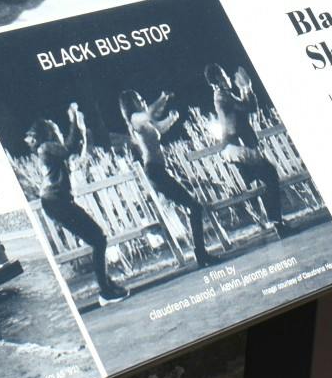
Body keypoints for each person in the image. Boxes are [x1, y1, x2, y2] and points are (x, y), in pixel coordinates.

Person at [25, 105, 127, 303]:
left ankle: (106, 285)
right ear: (48, 132)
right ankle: (105, 291)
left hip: (58, 202)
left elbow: (76, 152)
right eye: (55, 128)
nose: (58, 131)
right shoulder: (46, 147)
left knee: (97, 239)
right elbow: (68, 148)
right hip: (56, 202)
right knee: (98, 238)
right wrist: (73, 120)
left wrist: (80, 128)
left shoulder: (50, 151)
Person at [119, 88, 216, 267]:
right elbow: (149, 112)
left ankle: (201, 254)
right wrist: (162, 97)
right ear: (131, 104)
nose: (142, 101)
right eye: (139, 99)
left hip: (160, 170)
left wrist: (172, 117)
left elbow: (160, 128)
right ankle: (201, 255)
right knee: (194, 206)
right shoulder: (135, 119)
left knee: (193, 206)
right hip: (155, 171)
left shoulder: (145, 122)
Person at [206, 63, 291, 238]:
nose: (227, 77)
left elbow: (247, 108)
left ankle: (276, 221)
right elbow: (249, 108)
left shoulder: (225, 95)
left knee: (267, 176)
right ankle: (277, 223)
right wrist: (247, 88)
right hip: (237, 147)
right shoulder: (222, 96)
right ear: (217, 79)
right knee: (270, 174)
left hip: (236, 148)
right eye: (223, 75)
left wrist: (246, 89)